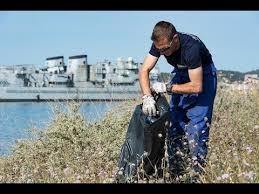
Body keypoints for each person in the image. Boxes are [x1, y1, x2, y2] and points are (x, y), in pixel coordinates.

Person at [139, 21, 217, 181]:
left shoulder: (191, 48)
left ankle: (196, 175)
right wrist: (147, 97)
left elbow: (196, 86)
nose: (163, 53)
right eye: (160, 50)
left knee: (196, 128)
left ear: (175, 38)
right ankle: (176, 174)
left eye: (165, 49)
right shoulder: (161, 43)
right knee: (174, 126)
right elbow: (144, 69)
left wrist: (168, 88)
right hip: (181, 72)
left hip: (203, 76)